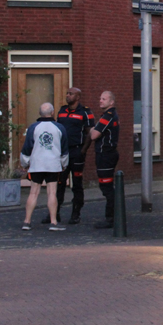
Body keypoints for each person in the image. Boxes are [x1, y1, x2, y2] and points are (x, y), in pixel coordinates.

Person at [41, 87, 94, 225]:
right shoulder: (62, 111)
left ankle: (76, 213)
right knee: (59, 183)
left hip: (77, 151)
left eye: (71, 94)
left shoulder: (85, 112)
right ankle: (54, 213)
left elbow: (90, 133)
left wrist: (83, 150)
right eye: (67, 93)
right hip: (62, 153)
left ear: (78, 97)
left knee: (77, 184)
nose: (67, 95)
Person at [20, 102, 69, 231]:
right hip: (53, 164)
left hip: (37, 164)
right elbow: (64, 150)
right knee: (52, 192)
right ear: (52, 113)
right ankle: (53, 222)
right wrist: (64, 164)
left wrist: (25, 163)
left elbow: (26, 148)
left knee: (33, 192)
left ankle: (27, 221)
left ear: (39, 113)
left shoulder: (33, 128)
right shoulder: (60, 128)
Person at [91, 90, 120, 229]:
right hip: (108, 154)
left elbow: (94, 135)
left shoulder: (107, 117)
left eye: (104, 99)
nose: (100, 100)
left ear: (111, 102)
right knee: (107, 186)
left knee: (107, 187)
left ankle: (111, 218)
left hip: (105, 155)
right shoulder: (111, 116)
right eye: (100, 98)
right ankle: (114, 216)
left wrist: (92, 129)